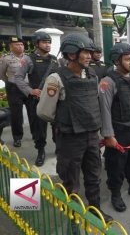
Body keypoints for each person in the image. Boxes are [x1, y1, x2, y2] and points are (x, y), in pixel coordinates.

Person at [36, 33, 112, 222]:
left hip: (91, 135)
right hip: (70, 138)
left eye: (89, 52)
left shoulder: (92, 75)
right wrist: (65, 121)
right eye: (84, 52)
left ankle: (95, 210)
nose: (89, 56)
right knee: (70, 179)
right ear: (71, 54)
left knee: (94, 175)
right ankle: (73, 214)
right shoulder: (56, 78)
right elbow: (44, 111)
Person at [99, 42, 130, 213]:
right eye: (127, 59)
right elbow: (104, 110)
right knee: (116, 167)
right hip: (118, 132)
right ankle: (115, 194)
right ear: (117, 60)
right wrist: (108, 135)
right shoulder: (108, 82)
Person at [15, 31, 59, 166]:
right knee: (39, 129)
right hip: (37, 100)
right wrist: (30, 91)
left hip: (54, 99)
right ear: (37, 43)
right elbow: (17, 77)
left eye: (49, 42)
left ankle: (59, 147)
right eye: (44, 42)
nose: (47, 45)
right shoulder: (28, 59)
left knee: (58, 126)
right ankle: (41, 151)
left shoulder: (54, 59)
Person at [0, 36, 27, 147]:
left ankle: (37, 135)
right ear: (11, 47)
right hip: (14, 88)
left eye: (21, 44)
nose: (20, 46)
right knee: (16, 115)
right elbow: (1, 74)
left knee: (33, 113)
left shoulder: (29, 58)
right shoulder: (6, 59)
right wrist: (10, 82)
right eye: (17, 45)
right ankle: (17, 138)